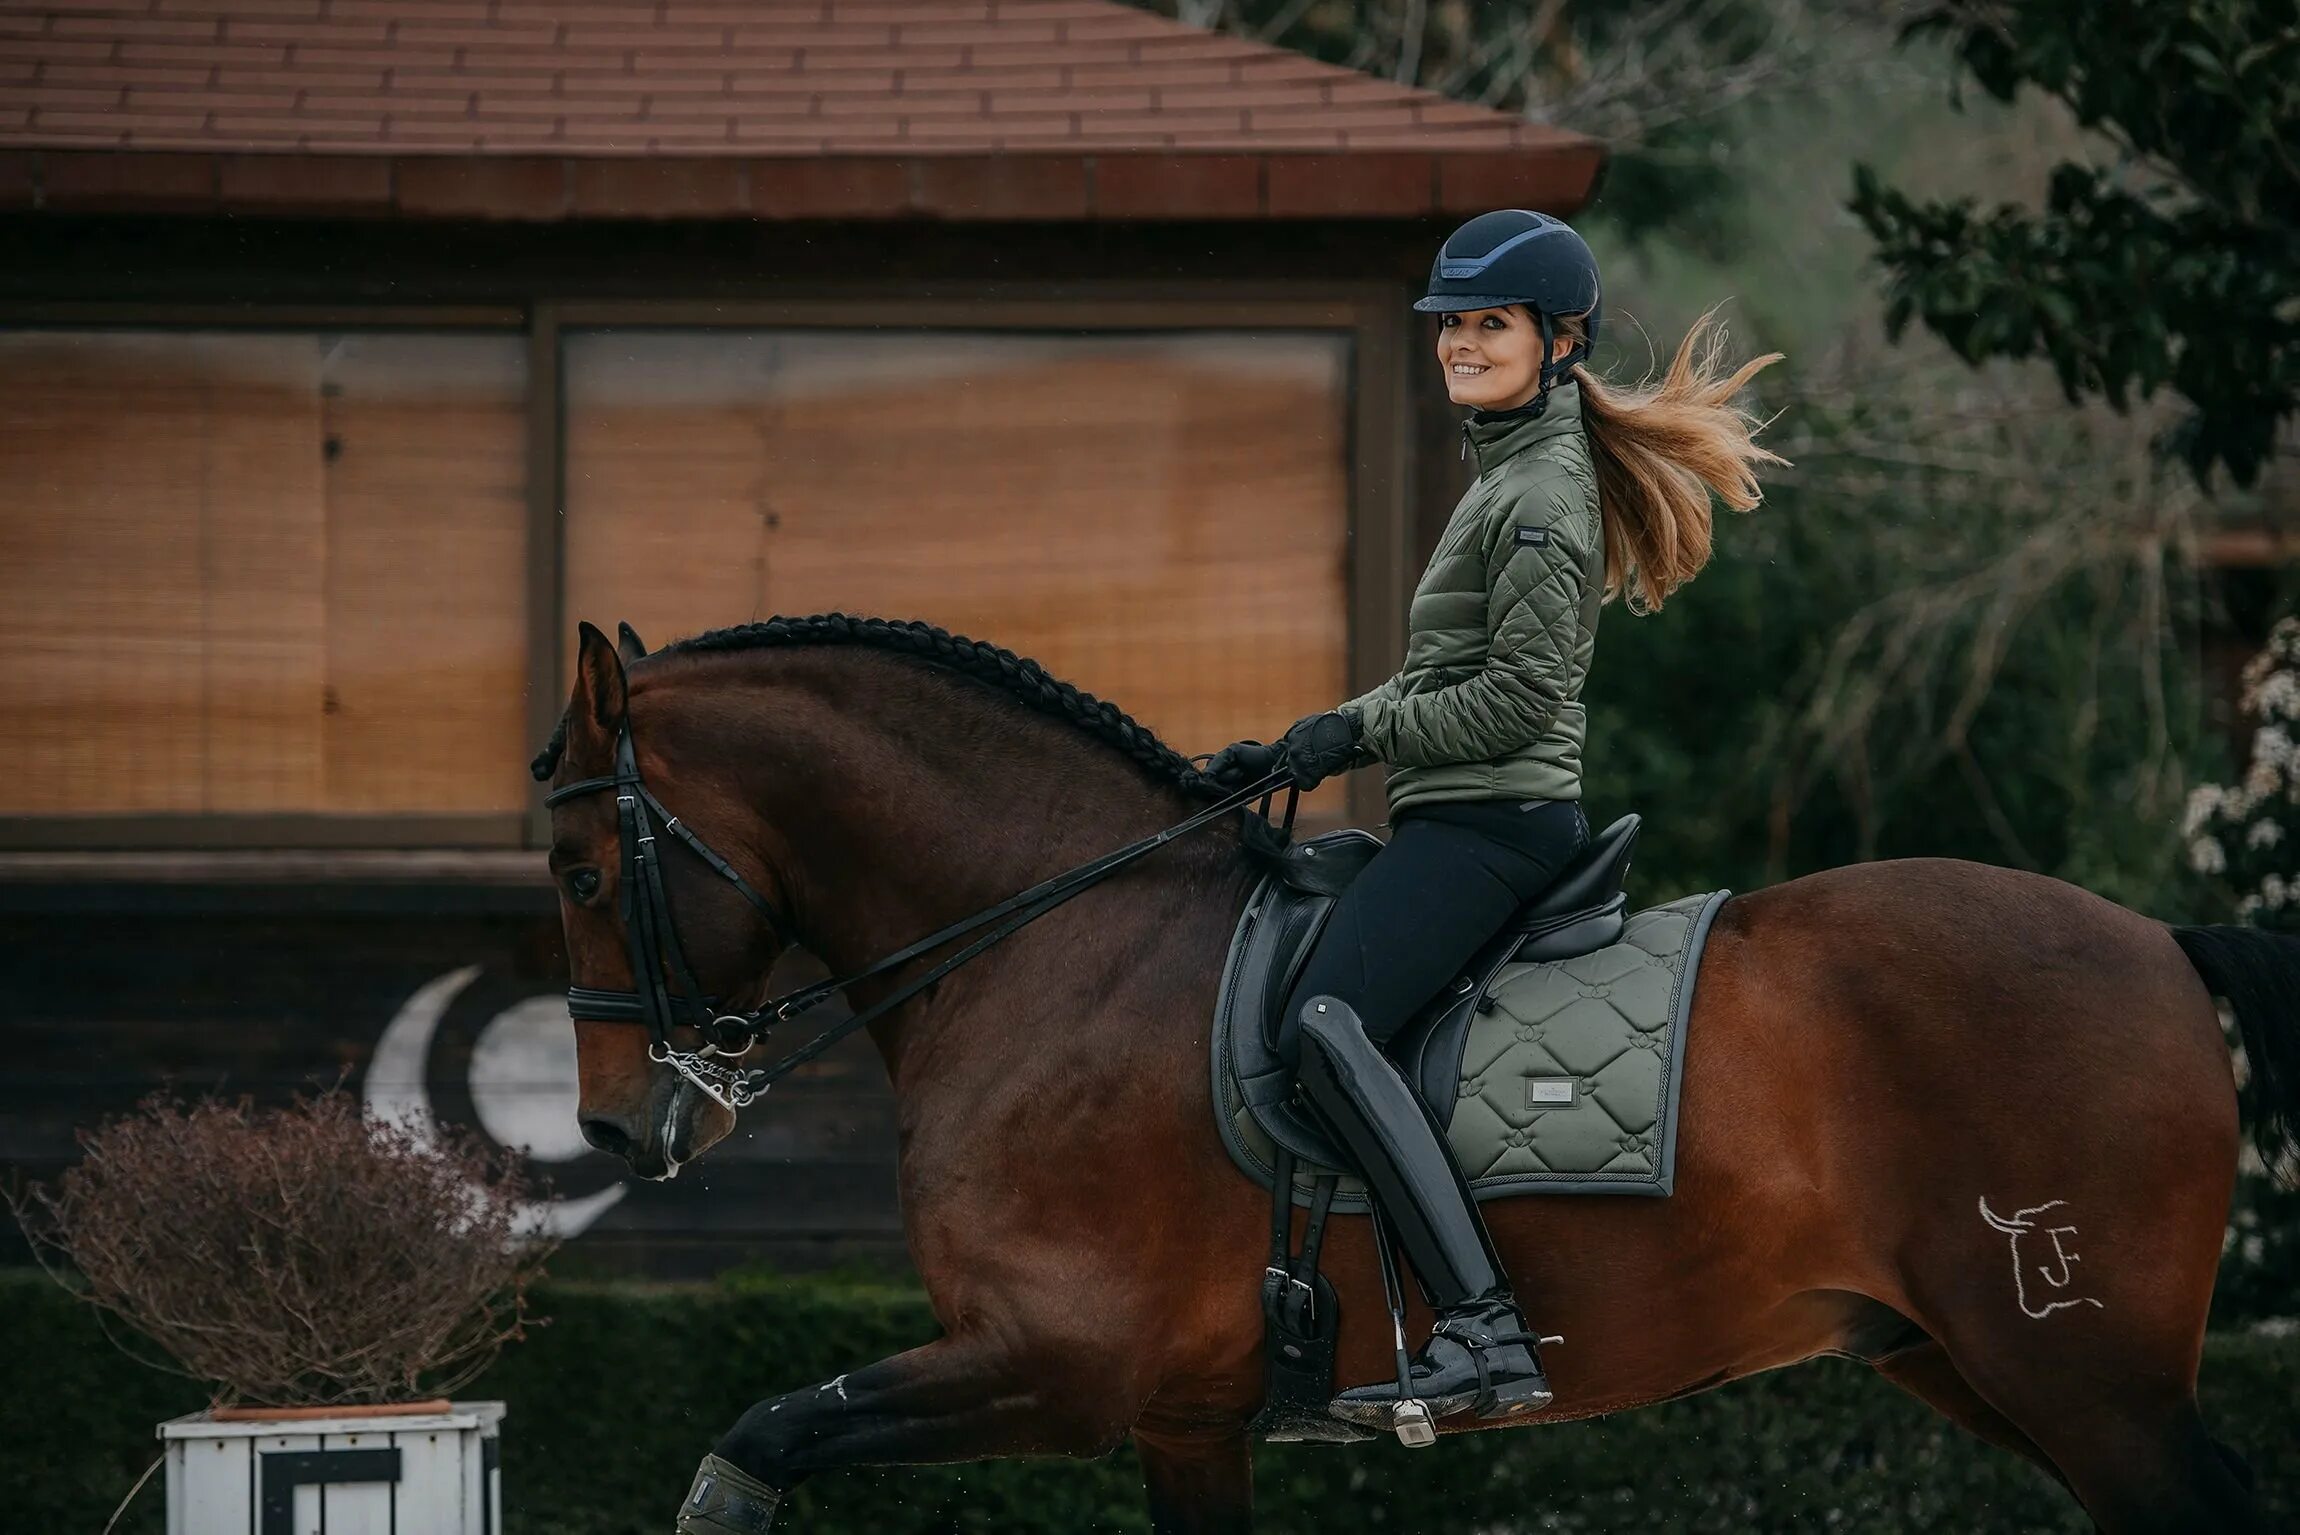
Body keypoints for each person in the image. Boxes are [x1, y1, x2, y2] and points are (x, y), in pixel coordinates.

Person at [1208, 208, 1784, 1429]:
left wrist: (1353, 731)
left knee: (1324, 1021)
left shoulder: (1536, 497)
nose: (1462, 344)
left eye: (1490, 324)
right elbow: (1454, 680)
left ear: (1557, 341)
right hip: (1458, 815)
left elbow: (1518, 694)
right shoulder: (1510, 468)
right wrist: (1313, 737)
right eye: (1451, 325)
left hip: (1494, 824)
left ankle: (1481, 1327)